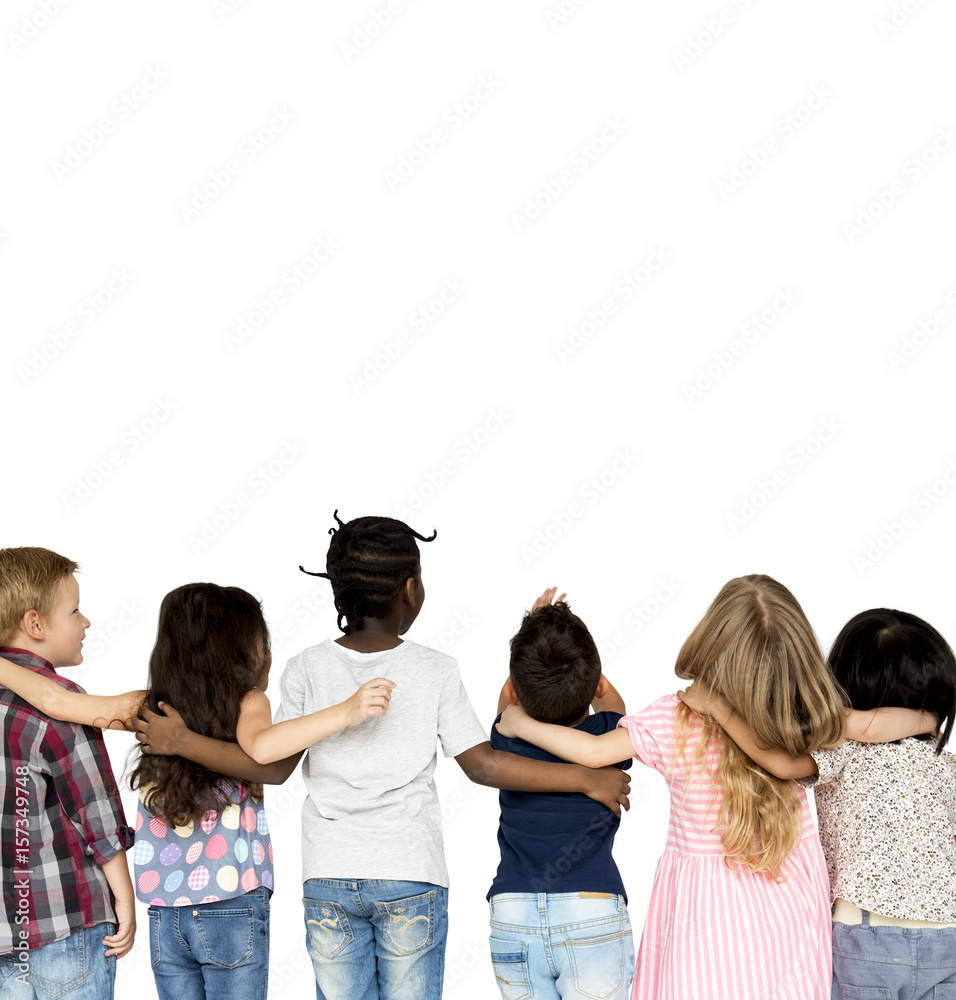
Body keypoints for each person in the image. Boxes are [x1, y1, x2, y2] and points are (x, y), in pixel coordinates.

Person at [279, 512, 631, 1000]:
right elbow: (483, 764)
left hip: (327, 872)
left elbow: (275, 766)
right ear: (409, 589)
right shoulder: (434, 669)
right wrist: (586, 777)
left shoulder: (305, 668)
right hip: (410, 873)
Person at [0, 581, 393, 1000]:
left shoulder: (148, 709)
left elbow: (55, 701)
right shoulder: (248, 701)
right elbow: (265, 750)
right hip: (232, 901)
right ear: (244, 651)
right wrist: (346, 711)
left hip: (165, 908)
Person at [498, 574, 852, 1000]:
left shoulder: (677, 717)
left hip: (704, 915)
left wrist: (521, 719)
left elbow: (593, 751)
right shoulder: (806, 721)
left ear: (710, 642)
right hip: (788, 900)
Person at [681, 607, 955, 1000]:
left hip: (869, 929)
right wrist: (927, 721)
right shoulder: (945, 763)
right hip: (946, 934)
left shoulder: (843, 747)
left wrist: (721, 710)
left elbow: (780, 762)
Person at [488, 587, 635, 1000]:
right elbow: (616, 704)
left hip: (513, 910)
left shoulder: (507, 738)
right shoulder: (607, 738)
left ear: (515, 691)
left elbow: (509, 699)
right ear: (598, 684)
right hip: (590, 909)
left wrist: (534, 633)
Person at [0, 547, 134, 999]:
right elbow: (94, 811)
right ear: (35, 624)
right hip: (67, 923)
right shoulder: (60, 701)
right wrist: (124, 898)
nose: (86, 622)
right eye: (75, 610)